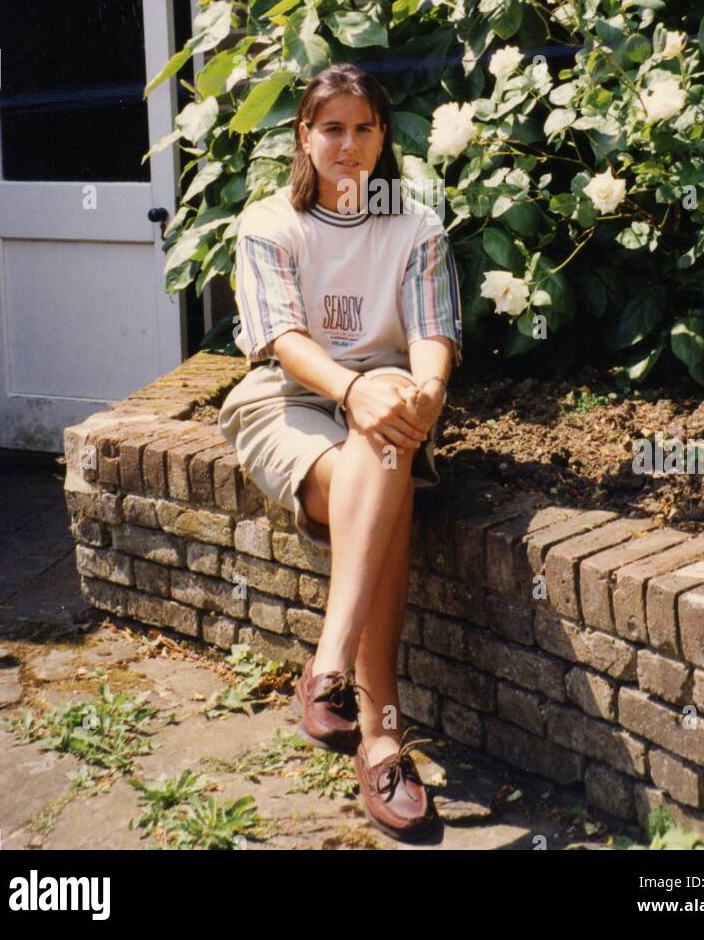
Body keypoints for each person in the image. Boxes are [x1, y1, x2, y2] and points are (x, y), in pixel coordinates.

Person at [218, 61, 463, 842]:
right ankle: (381, 728)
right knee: (381, 471)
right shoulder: (269, 224)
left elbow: (430, 335)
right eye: (332, 128)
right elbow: (283, 340)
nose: (348, 145)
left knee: (385, 438)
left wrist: (421, 393)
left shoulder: (415, 224)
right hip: (286, 400)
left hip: (386, 406)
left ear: (384, 136)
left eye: (363, 129)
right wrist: (356, 394)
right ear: (304, 136)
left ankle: (331, 678)